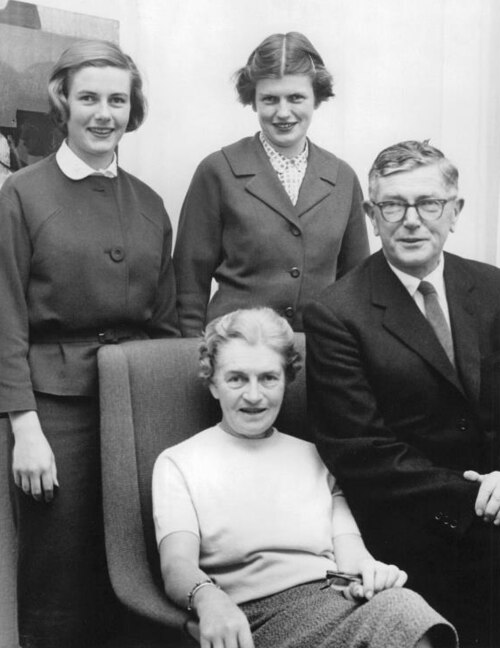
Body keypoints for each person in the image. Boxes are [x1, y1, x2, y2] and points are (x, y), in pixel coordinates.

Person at [0, 40, 178, 648]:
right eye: (88, 98)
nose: (104, 113)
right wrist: (24, 426)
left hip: (135, 409)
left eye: (117, 100)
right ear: (63, 104)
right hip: (55, 413)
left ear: (133, 109)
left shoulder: (152, 205)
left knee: (136, 565)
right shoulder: (21, 195)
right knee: (58, 570)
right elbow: (6, 317)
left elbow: (167, 323)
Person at [152, 307, 457, 648]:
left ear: (287, 381)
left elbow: (351, 554)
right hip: (248, 618)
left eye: (268, 378)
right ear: (212, 384)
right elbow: (176, 565)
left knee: (407, 610)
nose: (254, 395)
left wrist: (373, 572)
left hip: (335, 599)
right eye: (236, 378)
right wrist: (210, 600)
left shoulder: (315, 456)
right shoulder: (179, 462)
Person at [304, 140, 500, 648]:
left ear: (454, 211)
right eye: (393, 205)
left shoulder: (493, 287)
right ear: (372, 215)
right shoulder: (337, 313)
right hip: (419, 535)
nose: (411, 220)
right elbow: (360, 451)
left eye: (428, 203)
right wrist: (476, 496)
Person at [173, 32, 369, 337]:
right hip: (236, 355)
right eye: (269, 99)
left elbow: (356, 283)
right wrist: (189, 355)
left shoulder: (343, 177)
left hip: (319, 355)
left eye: (296, 97)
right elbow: (188, 284)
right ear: (253, 100)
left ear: (316, 97)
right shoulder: (217, 170)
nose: (283, 112)